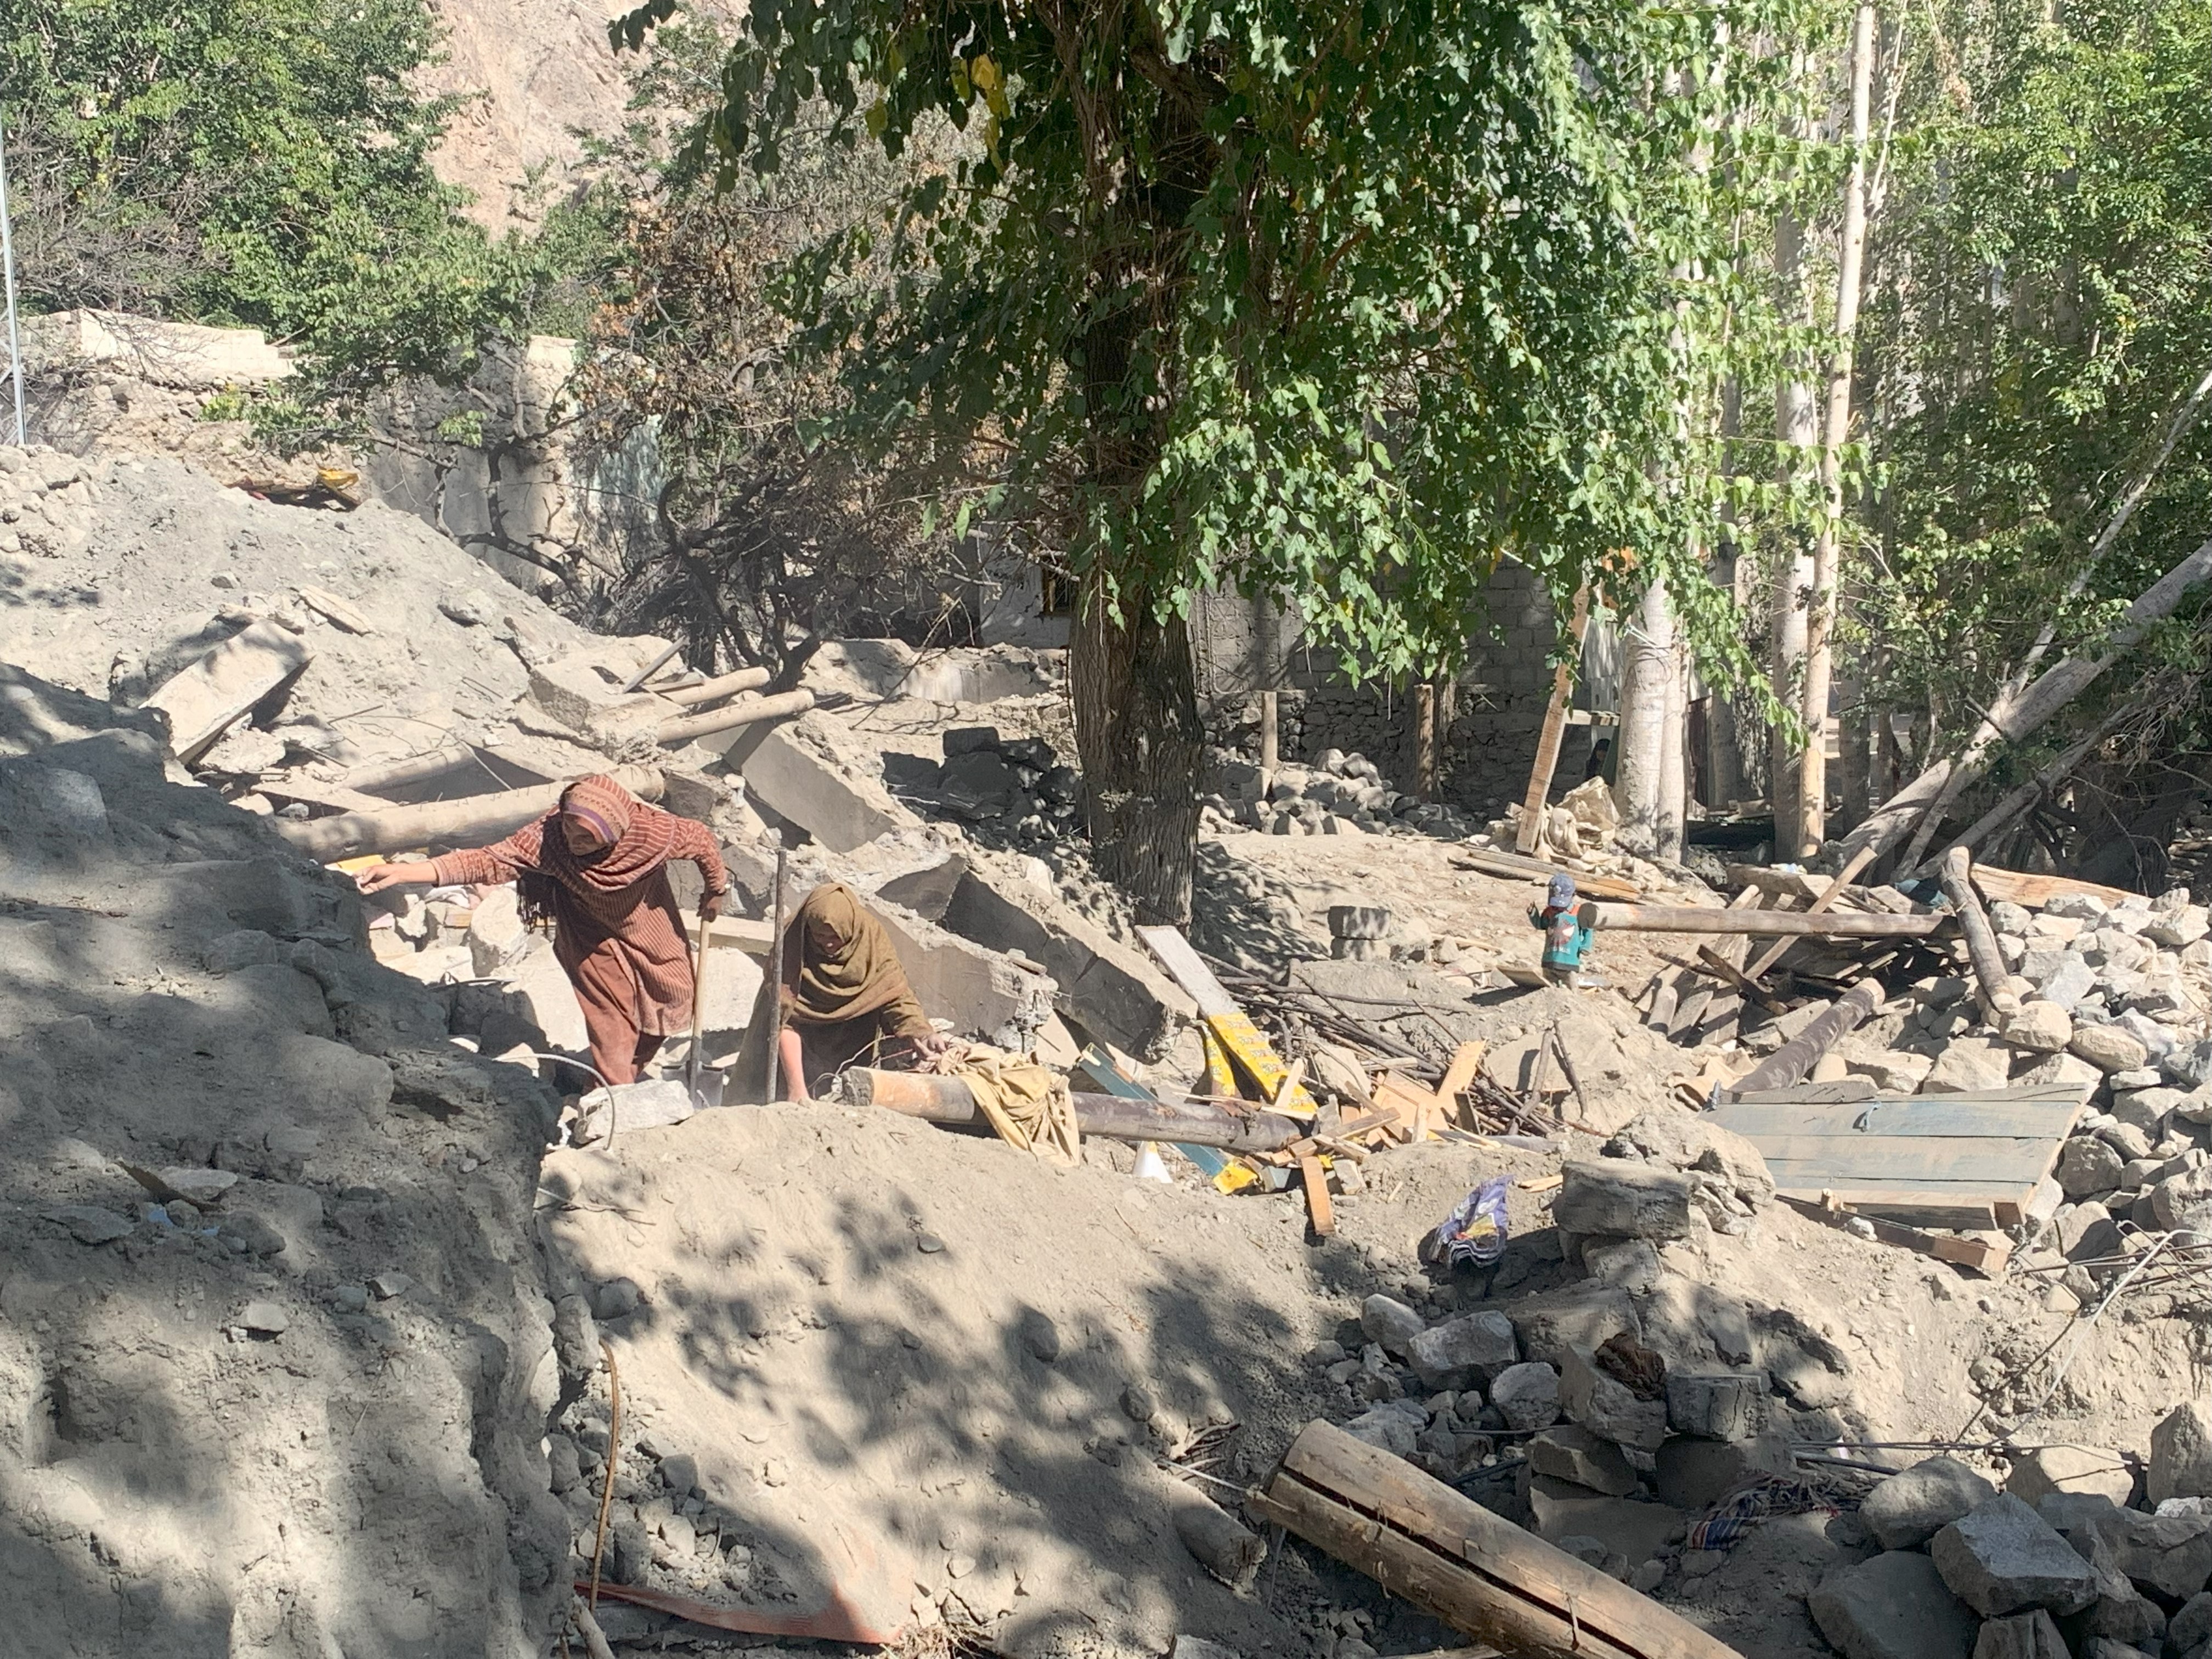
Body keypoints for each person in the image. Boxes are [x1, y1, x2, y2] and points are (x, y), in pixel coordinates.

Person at [357, 774, 729, 1086]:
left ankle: (619, 1077)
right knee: (612, 1020)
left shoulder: (654, 835)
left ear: (614, 833)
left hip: (649, 922)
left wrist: (716, 891)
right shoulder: (548, 839)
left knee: (674, 996)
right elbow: (486, 862)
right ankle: (610, 1095)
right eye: (569, 825)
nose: (572, 840)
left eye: (586, 837)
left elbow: (702, 842)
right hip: (587, 931)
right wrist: (403, 873)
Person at [732, 882, 956, 1102]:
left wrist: (922, 1032)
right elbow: (785, 1020)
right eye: (819, 937)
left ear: (851, 929)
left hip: (851, 1034)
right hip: (793, 1044)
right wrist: (796, 1090)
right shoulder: (794, 940)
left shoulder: (870, 940)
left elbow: (894, 993)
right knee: (770, 1100)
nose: (828, 945)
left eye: (835, 938)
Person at [1529, 872, 1595, 986]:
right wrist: (1533, 913)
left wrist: (1585, 946)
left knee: (1571, 989)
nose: (1558, 908)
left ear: (1573, 896)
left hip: (1569, 961)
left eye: (1562, 904)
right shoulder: (1549, 912)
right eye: (1555, 903)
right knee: (1549, 988)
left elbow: (1588, 929)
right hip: (1550, 960)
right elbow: (1541, 925)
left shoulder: (1579, 912)